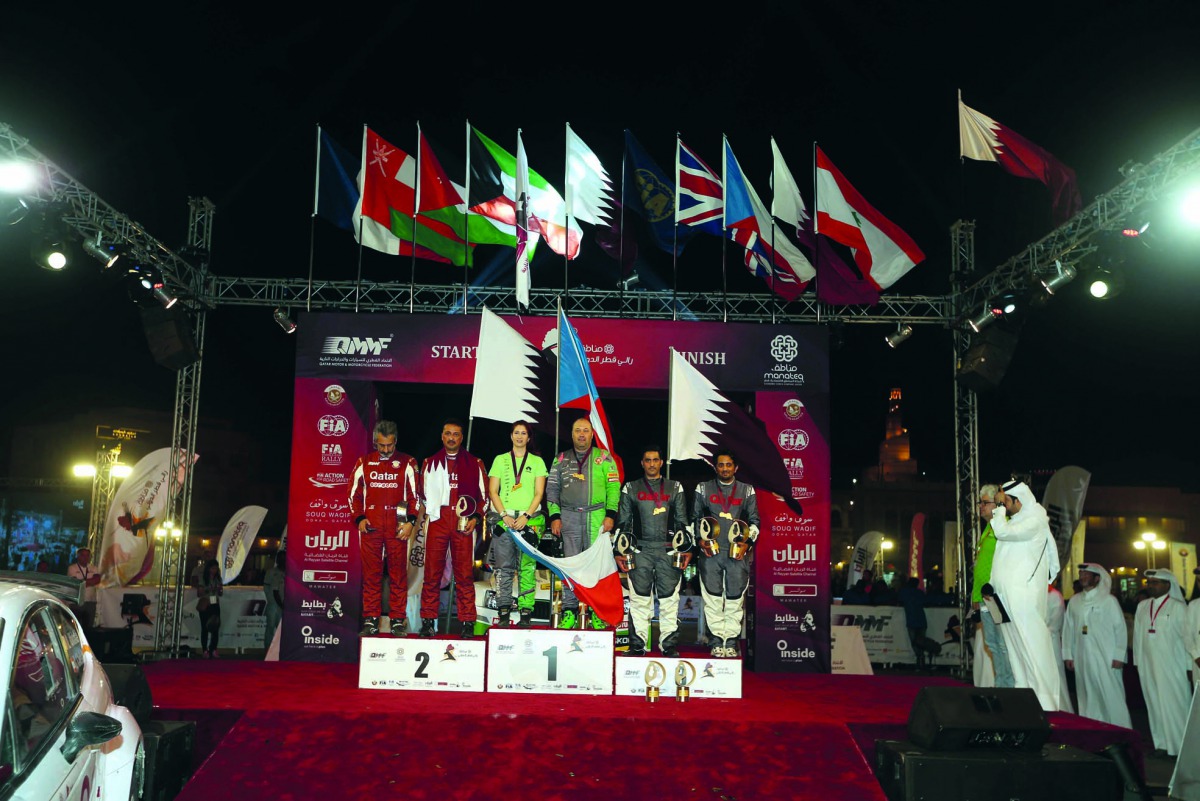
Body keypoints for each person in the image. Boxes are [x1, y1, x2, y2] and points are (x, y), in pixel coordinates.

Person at [990, 480, 1063, 711]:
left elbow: (1002, 532)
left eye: (1005, 501)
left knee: (1031, 644)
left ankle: (1045, 701)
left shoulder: (1035, 520)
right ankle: (1024, 696)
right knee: (1015, 648)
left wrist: (998, 509)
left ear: (1018, 500)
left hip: (1022, 595)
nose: (1003, 505)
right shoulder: (1017, 520)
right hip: (1005, 596)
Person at [546, 415, 620, 630]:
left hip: (597, 516)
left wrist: (610, 515)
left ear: (592, 434)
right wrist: (555, 516)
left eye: (585, 430)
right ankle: (569, 610)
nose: (581, 434)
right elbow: (552, 489)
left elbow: (613, 487)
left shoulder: (604, 458)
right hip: (568, 517)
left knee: (596, 566)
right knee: (570, 565)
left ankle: (596, 612)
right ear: (571, 434)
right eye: (578, 430)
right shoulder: (561, 459)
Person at [348, 419, 420, 637]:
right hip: (371, 527)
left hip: (398, 528)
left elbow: (416, 497)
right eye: (381, 445)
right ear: (375, 442)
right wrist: (359, 518)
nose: (386, 450)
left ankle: (398, 620)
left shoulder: (408, 462)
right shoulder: (364, 462)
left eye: (390, 445)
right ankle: (370, 620)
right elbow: (353, 494)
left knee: (398, 574)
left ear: (395, 441)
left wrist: (410, 522)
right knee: (372, 576)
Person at [617, 446, 690, 657]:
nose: (651, 464)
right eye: (647, 460)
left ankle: (668, 645)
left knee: (669, 600)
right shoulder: (630, 487)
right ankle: (637, 645)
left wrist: (687, 549)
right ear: (642, 463)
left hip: (668, 550)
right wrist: (619, 551)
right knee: (639, 600)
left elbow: (682, 521)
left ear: (661, 462)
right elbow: (623, 522)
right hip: (640, 550)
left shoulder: (675, 487)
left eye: (655, 460)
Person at [419, 418, 488, 638]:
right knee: (432, 574)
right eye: (448, 433)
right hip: (438, 521)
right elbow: (422, 494)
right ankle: (428, 622)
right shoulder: (429, 463)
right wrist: (434, 509)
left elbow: (484, 497)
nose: (451, 438)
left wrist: (475, 517)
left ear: (461, 437)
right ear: (442, 436)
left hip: (463, 523)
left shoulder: (474, 463)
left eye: (456, 434)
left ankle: (467, 622)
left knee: (465, 575)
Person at [692, 448, 760, 658]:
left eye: (728, 465)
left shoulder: (747, 490)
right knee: (712, 598)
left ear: (735, 468)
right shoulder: (703, 488)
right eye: (720, 465)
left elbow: (755, 521)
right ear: (715, 467)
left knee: (734, 599)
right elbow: (695, 518)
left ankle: (730, 641)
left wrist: (748, 543)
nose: (724, 469)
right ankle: (715, 642)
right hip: (711, 552)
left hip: (735, 552)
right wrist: (700, 540)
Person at [486, 420, 548, 629]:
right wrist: (503, 515)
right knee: (503, 569)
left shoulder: (537, 462)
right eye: (516, 433)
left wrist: (526, 516)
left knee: (527, 568)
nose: (520, 436)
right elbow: (493, 491)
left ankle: (526, 612)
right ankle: (503, 611)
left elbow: (539, 493)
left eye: (523, 433)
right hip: (505, 521)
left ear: (529, 438)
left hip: (528, 521)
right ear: (510, 436)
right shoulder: (500, 459)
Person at [1062, 563, 1132, 728]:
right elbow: (1068, 629)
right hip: (1082, 655)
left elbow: (1120, 629)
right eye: (1081, 573)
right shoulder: (1074, 601)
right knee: (1086, 694)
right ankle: (1093, 730)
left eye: (1087, 574)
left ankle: (1121, 731)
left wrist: (1119, 655)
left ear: (1097, 578)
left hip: (1106, 656)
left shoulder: (1108, 600)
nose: (1082, 577)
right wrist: (1068, 654)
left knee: (1110, 694)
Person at [1132, 568, 1192, 756]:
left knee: (1175, 705)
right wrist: (1138, 662)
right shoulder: (1143, 606)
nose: (1151, 586)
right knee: (1154, 704)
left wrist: (1188, 667)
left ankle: (1180, 748)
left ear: (1168, 585)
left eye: (1155, 583)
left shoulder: (1178, 607)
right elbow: (1137, 637)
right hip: (1148, 665)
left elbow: (1188, 640)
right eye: (1149, 583)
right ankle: (1162, 745)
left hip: (1173, 666)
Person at [973, 484, 1014, 688]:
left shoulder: (1004, 526)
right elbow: (981, 567)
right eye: (980, 503)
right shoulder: (988, 529)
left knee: (1003, 643)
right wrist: (975, 597)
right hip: (985, 598)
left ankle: (1009, 686)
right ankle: (1001, 685)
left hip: (997, 596)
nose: (980, 506)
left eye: (985, 503)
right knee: (992, 644)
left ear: (997, 505)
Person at [1045, 583, 1074, 713]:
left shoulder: (1055, 597)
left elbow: (1054, 625)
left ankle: (1062, 709)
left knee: (1056, 677)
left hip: (1051, 643)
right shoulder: (1038, 595)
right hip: (1038, 643)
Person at [65, 547, 101, 629]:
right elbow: (75, 583)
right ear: (78, 556)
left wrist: (82, 582)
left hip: (90, 601)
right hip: (76, 602)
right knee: (75, 627)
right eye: (83, 555)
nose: (85, 558)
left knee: (89, 627)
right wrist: (90, 581)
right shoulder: (72, 568)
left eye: (87, 555)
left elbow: (97, 580)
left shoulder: (94, 568)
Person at [898, 576, 929, 669]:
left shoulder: (904, 592)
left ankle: (919, 657)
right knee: (921, 642)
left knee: (914, 642)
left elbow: (899, 600)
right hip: (921, 620)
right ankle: (921, 658)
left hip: (911, 621)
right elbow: (926, 602)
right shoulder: (919, 593)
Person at [196, 559, 223, 658]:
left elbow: (220, 593)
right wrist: (208, 589)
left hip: (215, 603)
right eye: (213, 568)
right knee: (205, 627)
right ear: (208, 569)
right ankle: (205, 650)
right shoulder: (203, 578)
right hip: (206, 603)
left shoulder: (218, 579)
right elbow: (199, 593)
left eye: (216, 568)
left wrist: (219, 589)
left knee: (215, 627)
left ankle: (213, 648)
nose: (214, 570)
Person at [263, 551, 285, 649]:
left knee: (281, 629)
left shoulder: (289, 572)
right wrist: (272, 600)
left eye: (284, 558)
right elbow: (268, 589)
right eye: (281, 558)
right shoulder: (271, 572)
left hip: (284, 604)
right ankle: (268, 648)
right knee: (270, 627)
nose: (282, 560)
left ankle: (280, 649)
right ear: (277, 559)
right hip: (273, 605)